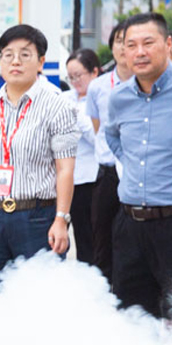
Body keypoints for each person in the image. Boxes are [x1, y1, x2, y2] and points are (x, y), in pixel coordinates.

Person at [0, 25, 77, 285]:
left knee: (38, 300)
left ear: (41, 61)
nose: (15, 61)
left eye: (25, 54)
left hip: (37, 217)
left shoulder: (58, 107)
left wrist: (61, 219)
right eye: (8, 54)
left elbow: (65, 169)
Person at [105, 13, 172, 319]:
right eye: (130, 45)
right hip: (129, 224)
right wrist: (142, 170)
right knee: (132, 317)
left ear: (165, 44)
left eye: (148, 43)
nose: (139, 52)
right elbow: (113, 138)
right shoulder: (119, 98)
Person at [86, 21, 131, 281]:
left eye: (130, 41)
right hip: (107, 173)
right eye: (119, 41)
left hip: (138, 173)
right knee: (102, 237)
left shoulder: (150, 83)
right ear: (111, 46)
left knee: (134, 238)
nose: (124, 48)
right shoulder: (99, 86)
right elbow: (97, 128)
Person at [62, 48, 103, 268]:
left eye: (79, 76)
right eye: (71, 77)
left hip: (90, 179)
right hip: (65, 179)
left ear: (94, 72)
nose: (75, 81)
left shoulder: (101, 97)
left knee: (89, 238)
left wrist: (77, 114)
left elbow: (99, 139)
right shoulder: (66, 97)